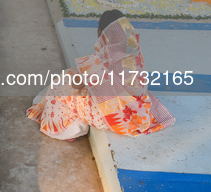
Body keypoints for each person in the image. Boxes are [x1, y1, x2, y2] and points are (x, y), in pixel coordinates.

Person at [27, 10, 175, 141]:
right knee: (71, 78)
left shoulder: (110, 57)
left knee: (65, 83)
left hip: (119, 119)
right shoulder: (133, 52)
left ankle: (66, 130)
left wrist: (79, 84)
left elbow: (100, 90)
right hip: (138, 112)